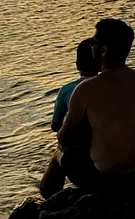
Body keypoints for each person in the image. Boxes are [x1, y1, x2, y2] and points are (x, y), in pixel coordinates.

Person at [55, 16, 135, 194]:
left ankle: (48, 202)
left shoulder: (87, 88)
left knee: (59, 153)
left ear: (103, 50)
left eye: (93, 43)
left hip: (105, 181)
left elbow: (65, 139)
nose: (91, 47)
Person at [39, 39, 98, 197]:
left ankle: (50, 197)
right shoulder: (111, 87)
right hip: (109, 151)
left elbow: (55, 125)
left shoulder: (67, 90)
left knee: (59, 152)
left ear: (77, 65)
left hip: (83, 154)